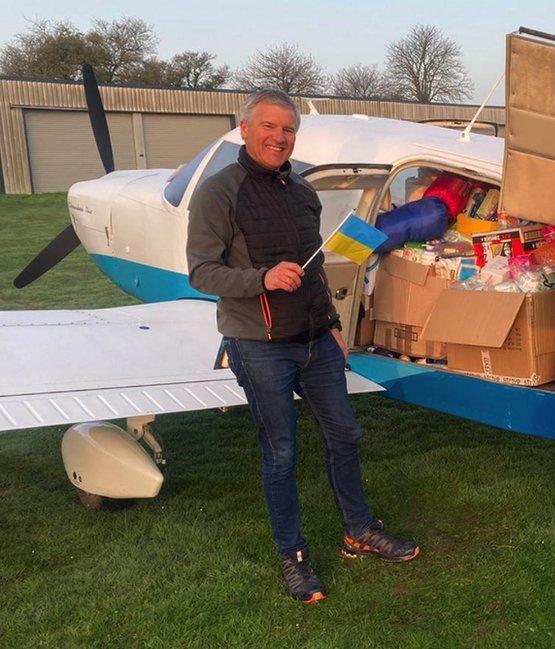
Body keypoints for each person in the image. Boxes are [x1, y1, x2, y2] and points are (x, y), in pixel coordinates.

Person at [186, 89, 419, 604]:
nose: (279, 137)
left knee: (346, 437)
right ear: (245, 129)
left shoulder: (301, 193)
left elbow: (313, 269)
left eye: (288, 129)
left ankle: (358, 530)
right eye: (269, 127)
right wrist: (262, 278)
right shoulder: (219, 193)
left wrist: (332, 323)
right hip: (260, 345)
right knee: (281, 455)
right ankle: (293, 557)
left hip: (316, 340)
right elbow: (201, 271)